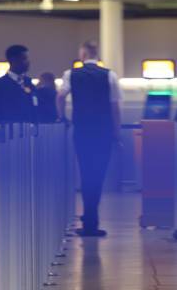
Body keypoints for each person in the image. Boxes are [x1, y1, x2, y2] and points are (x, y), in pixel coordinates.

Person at [57, 40, 121, 237]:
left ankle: (89, 219)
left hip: (82, 131)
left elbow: (60, 97)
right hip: (103, 132)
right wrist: (116, 134)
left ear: (83, 54)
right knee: (98, 175)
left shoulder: (71, 75)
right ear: (96, 54)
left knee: (85, 173)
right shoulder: (110, 75)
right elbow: (115, 108)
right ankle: (92, 219)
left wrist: (63, 118)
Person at [0, 45, 37, 123]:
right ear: (14, 60)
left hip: (28, 129)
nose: (28, 62)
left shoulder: (29, 83)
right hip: (9, 130)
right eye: (24, 58)